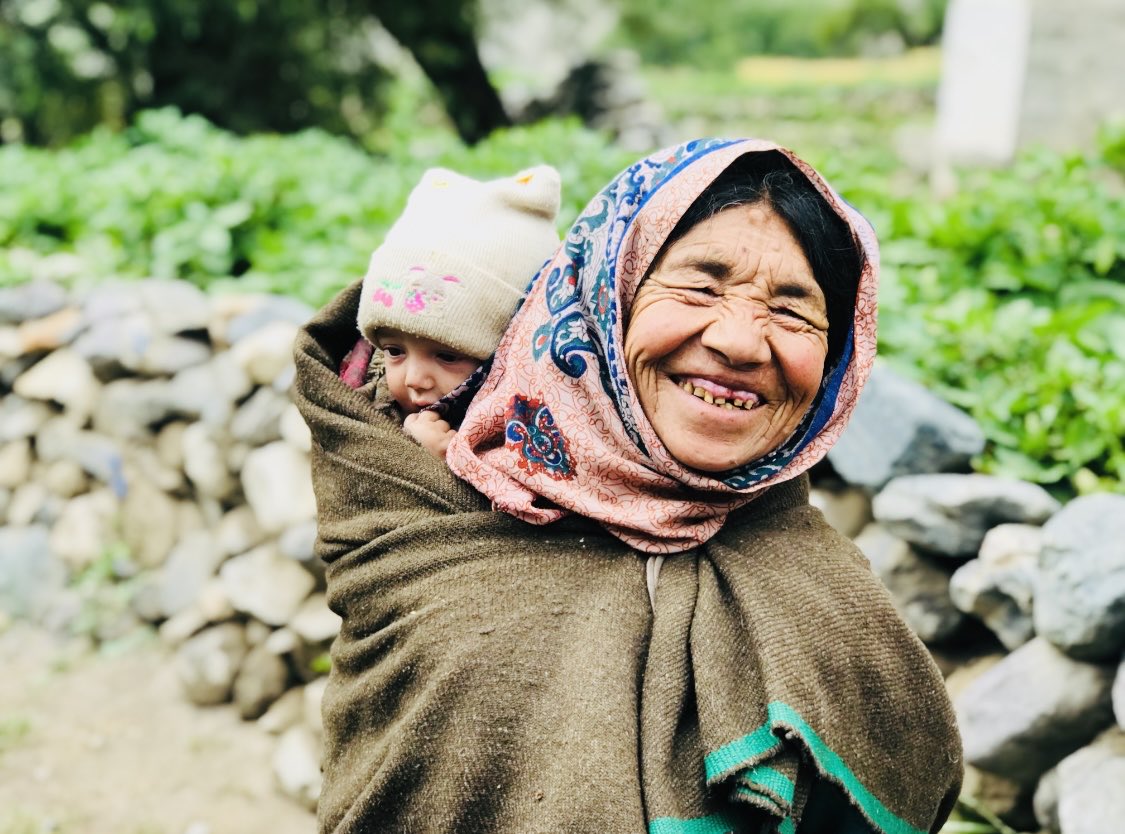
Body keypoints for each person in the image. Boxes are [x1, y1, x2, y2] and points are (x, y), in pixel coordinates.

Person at [294, 138, 963, 834]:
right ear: (603, 300)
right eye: (700, 286)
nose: (738, 341)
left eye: (791, 310)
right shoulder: (426, 512)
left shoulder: (833, 601)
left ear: (836, 360)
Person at [342, 164, 562, 457]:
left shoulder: (538, 429)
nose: (414, 379)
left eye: (446, 355)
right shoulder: (359, 401)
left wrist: (438, 461)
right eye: (394, 351)